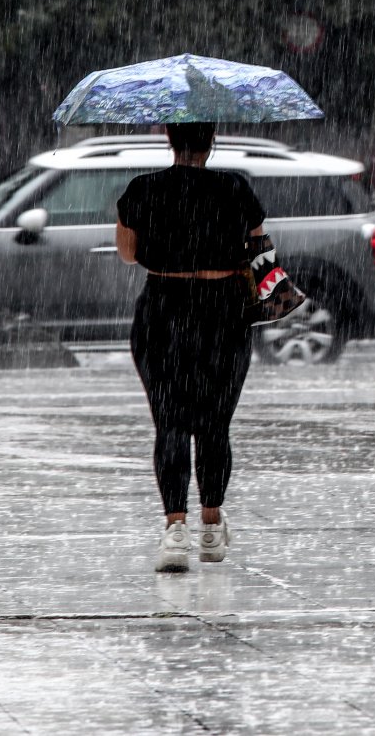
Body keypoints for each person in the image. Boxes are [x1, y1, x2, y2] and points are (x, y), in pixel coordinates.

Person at [115, 122, 267, 572]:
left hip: (163, 308)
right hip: (224, 312)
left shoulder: (142, 189)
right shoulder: (234, 186)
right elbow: (258, 246)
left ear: (168, 138)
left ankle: (175, 530)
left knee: (171, 422)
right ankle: (211, 525)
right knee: (215, 423)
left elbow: (128, 253)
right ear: (211, 139)